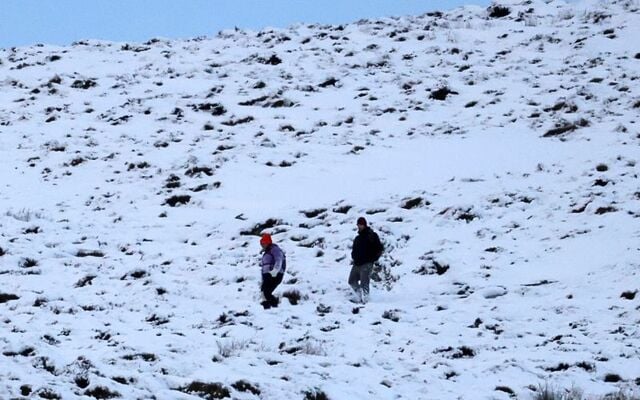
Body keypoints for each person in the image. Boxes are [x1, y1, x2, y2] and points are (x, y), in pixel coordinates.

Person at [349, 217, 383, 304]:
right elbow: (354, 250)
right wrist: (353, 256)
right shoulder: (357, 238)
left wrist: (373, 259)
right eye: (358, 225)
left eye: (361, 224)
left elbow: (379, 248)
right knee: (351, 281)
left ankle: (366, 299)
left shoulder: (372, 235)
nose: (359, 226)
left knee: (365, 282)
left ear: (364, 225)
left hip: (367, 263)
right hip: (357, 263)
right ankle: (359, 295)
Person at [259, 233, 286, 309]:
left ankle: (275, 307)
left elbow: (279, 259)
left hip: (274, 274)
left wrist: (275, 270)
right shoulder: (267, 252)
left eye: (264, 243)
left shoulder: (275, 249)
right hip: (267, 275)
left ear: (268, 242)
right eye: (261, 243)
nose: (262, 245)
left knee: (266, 292)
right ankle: (267, 308)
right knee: (263, 292)